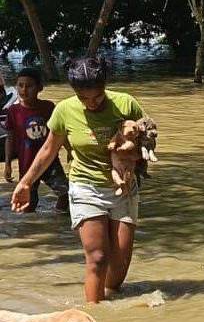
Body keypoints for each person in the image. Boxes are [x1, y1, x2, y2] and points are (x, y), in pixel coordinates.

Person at [11, 56, 147, 303]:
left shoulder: (126, 104)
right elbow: (48, 150)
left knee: (118, 268)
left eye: (97, 96)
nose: (92, 103)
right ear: (74, 92)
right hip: (85, 187)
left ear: (105, 86)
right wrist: (26, 183)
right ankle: (93, 319)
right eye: (84, 98)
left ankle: (114, 304)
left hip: (124, 187)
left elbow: (148, 140)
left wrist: (133, 154)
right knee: (97, 258)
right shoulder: (64, 110)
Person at [4, 67, 70, 212]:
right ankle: (28, 229)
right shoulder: (13, 111)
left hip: (50, 163)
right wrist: (8, 164)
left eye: (29, 86)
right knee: (27, 204)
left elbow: (59, 132)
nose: (24, 90)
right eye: (20, 85)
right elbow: (10, 138)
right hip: (27, 164)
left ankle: (57, 218)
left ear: (39, 88)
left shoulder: (48, 107)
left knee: (66, 194)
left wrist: (70, 151)